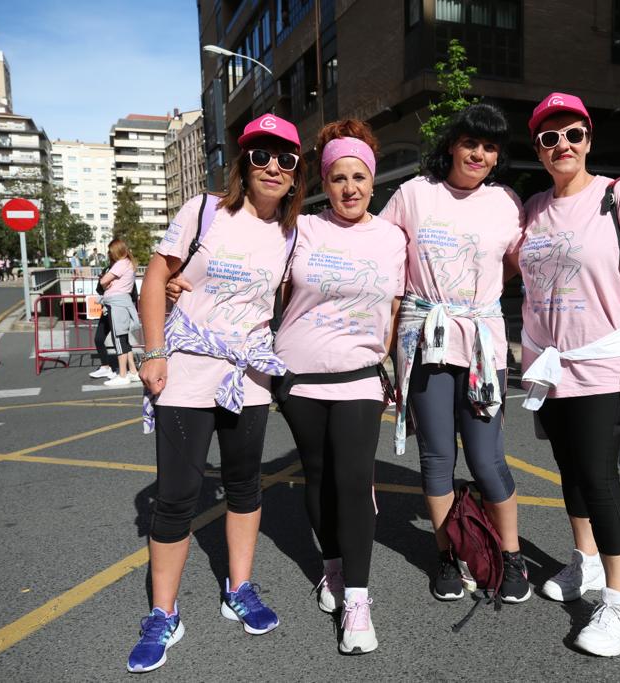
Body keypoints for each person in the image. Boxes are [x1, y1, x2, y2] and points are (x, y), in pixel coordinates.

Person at [127, 114, 304, 673]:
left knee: (244, 485)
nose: (273, 167)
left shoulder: (292, 233)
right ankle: (163, 613)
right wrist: (153, 352)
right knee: (177, 493)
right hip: (186, 370)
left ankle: (240, 587)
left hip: (248, 376)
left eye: (286, 158)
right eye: (261, 155)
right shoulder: (204, 211)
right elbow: (156, 277)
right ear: (243, 162)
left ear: (297, 173)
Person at [518, 92, 620, 657]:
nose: (562, 145)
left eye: (572, 134)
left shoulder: (618, 195)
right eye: (549, 137)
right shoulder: (533, 208)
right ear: (538, 148)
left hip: (604, 361)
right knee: (570, 472)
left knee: (602, 479)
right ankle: (586, 566)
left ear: (589, 139)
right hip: (549, 366)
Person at [380, 103, 531, 604]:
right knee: (437, 456)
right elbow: (377, 255)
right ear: (451, 145)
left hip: (481, 339)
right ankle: (447, 554)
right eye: (471, 143)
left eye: (490, 147)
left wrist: (475, 301)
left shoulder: (507, 202)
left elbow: (519, 263)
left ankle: (510, 555)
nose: (480, 154)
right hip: (426, 339)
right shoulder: (413, 195)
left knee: (488, 461)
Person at [274, 119, 406, 654]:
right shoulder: (301, 229)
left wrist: (398, 372)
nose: (349, 187)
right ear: (323, 184)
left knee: (354, 483)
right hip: (299, 373)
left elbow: (395, 312)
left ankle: (357, 599)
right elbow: (268, 289)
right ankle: (330, 566)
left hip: (360, 375)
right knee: (319, 477)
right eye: (337, 178)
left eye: (358, 177)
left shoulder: (393, 237)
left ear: (373, 183)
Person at [98, 239, 139, 386]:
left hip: (117, 305)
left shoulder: (121, 264)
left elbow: (103, 281)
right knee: (124, 340)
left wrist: (107, 283)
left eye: (110, 251)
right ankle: (133, 371)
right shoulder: (128, 263)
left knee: (119, 340)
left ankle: (123, 375)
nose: (109, 253)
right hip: (121, 303)